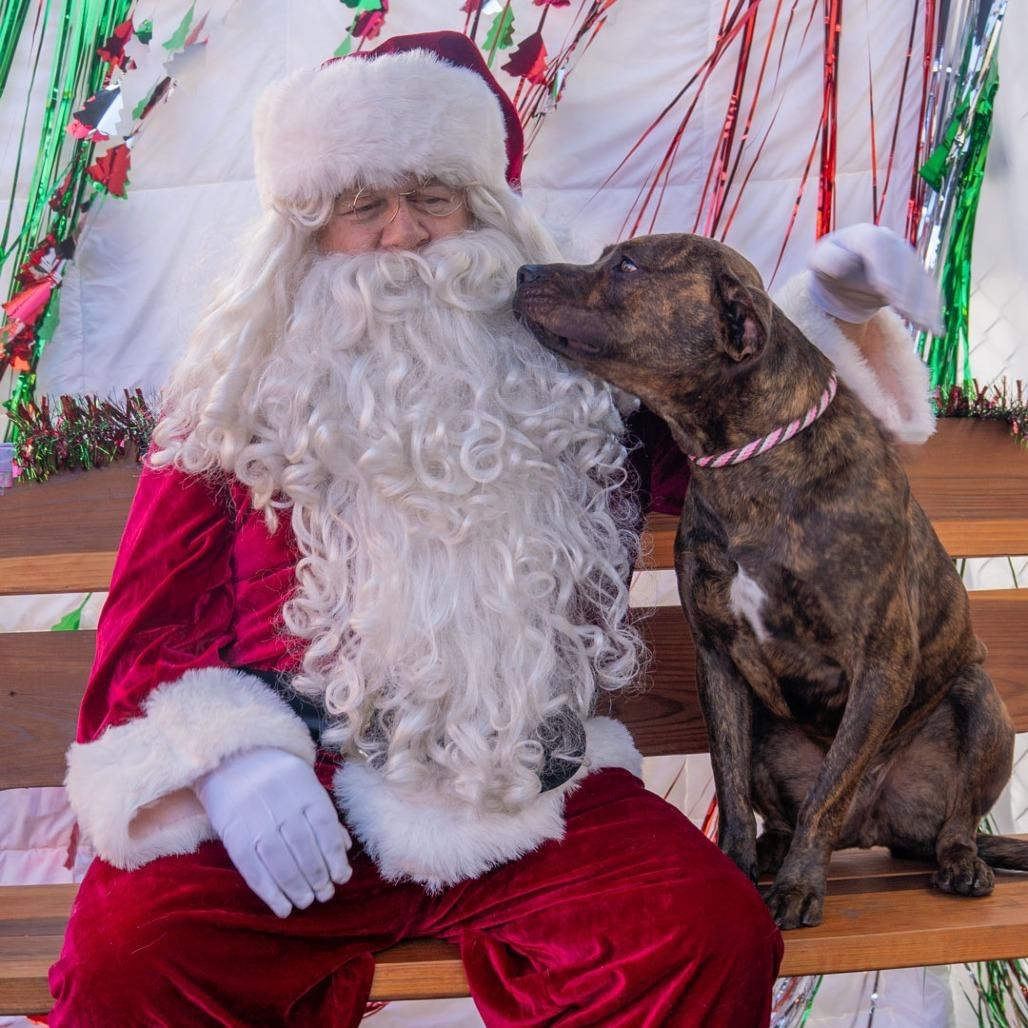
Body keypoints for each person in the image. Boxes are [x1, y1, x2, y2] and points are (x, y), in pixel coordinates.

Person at [47, 31, 938, 1027]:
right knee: (128, 955)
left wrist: (820, 311)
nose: (402, 235)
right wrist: (233, 761)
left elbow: (744, 449)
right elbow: (146, 637)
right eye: (362, 205)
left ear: (485, 208)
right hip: (298, 792)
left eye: (432, 197)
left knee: (705, 933)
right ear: (305, 228)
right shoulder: (233, 403)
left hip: (530, 789)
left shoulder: (576, 385)